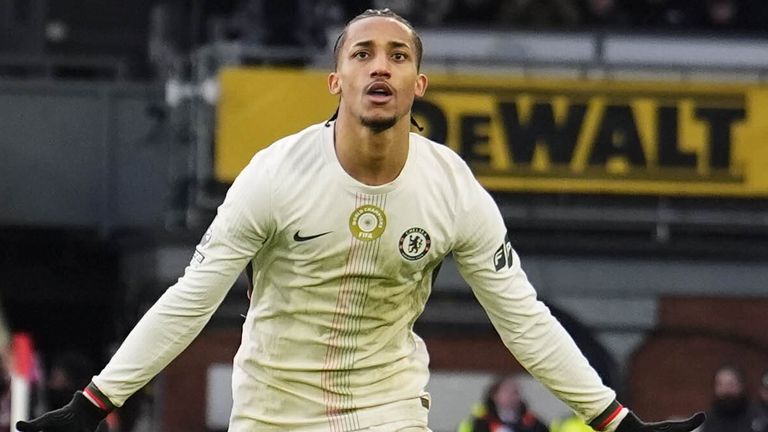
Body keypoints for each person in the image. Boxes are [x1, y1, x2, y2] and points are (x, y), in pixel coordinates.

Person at [18, 8, 706, 432]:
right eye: (363, 54)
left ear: (418, 85)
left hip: (388, 410)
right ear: (336, 80)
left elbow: (523, 320)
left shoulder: (453, 187)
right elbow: (190, 300)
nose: (381, 67)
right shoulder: (274, 173)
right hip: (272, 411)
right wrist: (93, 403)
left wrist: (614, 419)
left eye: (398, 56)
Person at [457, 374, 549, 432]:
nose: (513, 396)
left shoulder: (533, 423)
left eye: (516, 392)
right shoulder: (482, 424)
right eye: (507, 392)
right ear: (494, 395)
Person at [701, 365, 759, 432]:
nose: (725, 390)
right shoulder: (708, 420)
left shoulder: (758, 418)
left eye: (730, 384)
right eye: (720, 385)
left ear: (740, 386)